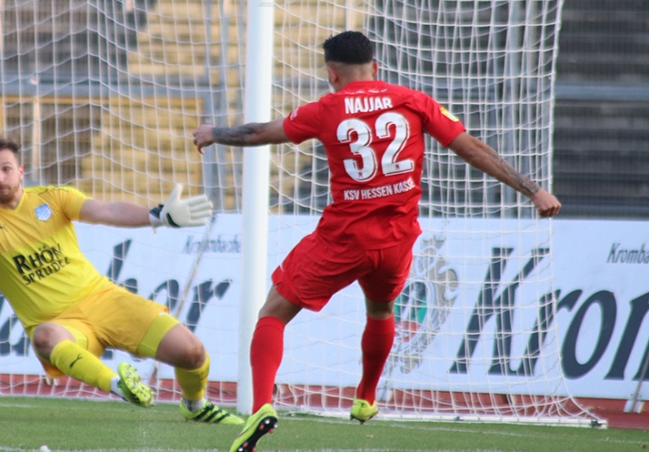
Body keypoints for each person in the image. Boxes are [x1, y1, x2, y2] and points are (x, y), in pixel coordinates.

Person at [191, 31, 561, 452]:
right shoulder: (413, 101)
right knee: (382, 309)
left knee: (272, 312)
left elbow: (259, 132)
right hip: (397, 241)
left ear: (332, 74)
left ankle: (260, 407)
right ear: (376, 66)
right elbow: (473, 149)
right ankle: (366, 398)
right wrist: (533, 190)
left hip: (344, 238)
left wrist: (215, 132)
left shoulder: (326, 109)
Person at [0, 134, 242, 425]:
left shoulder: (53, 199)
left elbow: (108, 210)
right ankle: (120, 386)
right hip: (63, 326)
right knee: (44, 337)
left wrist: (157, 215)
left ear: (21, 171)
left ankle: (195, 406)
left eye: (6, 169)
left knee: (191, 352)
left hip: (104, 300)